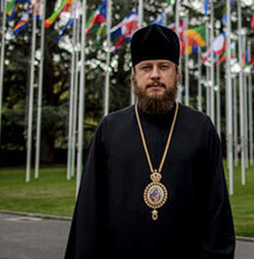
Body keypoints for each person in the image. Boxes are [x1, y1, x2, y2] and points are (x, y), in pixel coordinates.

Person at [65, 24, 235, 258]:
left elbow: (216, 213)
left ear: (177, 74)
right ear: (135, 76)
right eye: (146, 67)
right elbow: (90, 210)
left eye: (163, 67)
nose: (155, 74)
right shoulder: (110, 129)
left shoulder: (200, 128)